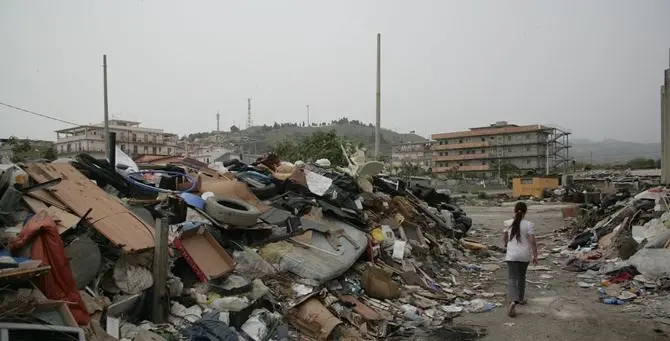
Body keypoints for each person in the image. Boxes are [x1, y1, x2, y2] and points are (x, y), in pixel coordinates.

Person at [503, 202, 538, 317]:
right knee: (521, 277)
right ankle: (521, 299)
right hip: (524, 255)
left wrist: (506, 246)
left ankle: (513, 301)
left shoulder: (508, 223)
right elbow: (532, 241)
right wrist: (535, 255)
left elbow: (505, 238)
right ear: (525, 212)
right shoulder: (529, 224)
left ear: (514, 210)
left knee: (512, 278)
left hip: (511, 255)